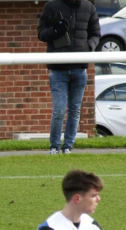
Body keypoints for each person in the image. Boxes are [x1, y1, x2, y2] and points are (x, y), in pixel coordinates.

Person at [38, 0, 100, 155]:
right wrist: (55, 31)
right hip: (58, 69)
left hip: (80, 68)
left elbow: (96, 34)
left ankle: (68, 147)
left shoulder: (88, 7)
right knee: (58, 110)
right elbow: (41, 33)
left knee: (75, 109)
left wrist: (88, 47)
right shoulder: (51, 6)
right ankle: (54, 147)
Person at [37, 170, 103, 230]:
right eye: (94, 196)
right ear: (77, 199)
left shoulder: (93, 226)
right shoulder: (50, 227)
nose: (98, 199)